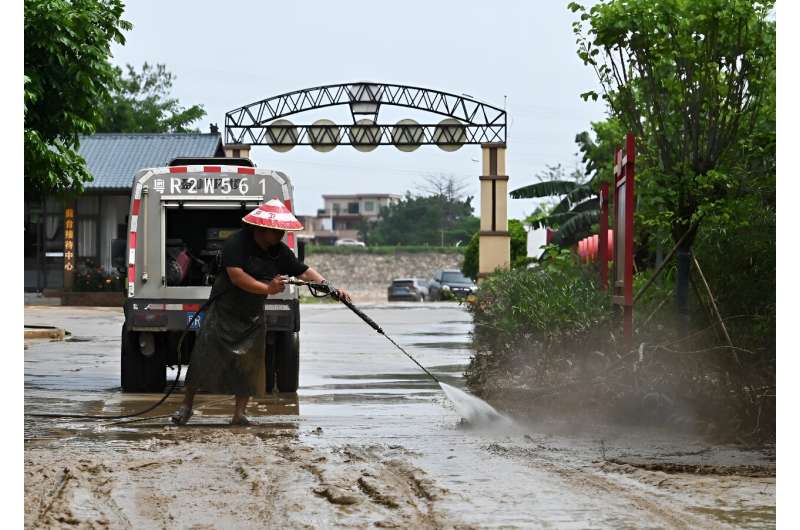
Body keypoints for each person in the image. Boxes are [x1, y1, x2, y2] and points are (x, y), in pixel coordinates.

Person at [171, 199, 351, 426]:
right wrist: (267, 288)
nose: (281, 234)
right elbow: (237, 277)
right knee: (203, 358)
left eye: (283, 230)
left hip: (252, 314)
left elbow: (304, 272)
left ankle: (239, 414)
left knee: (249, 364)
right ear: (262, 229)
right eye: (277, 230)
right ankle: (186, 406)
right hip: (224, 311)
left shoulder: (280, 252)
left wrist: (330, 287)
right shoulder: (237, 242)